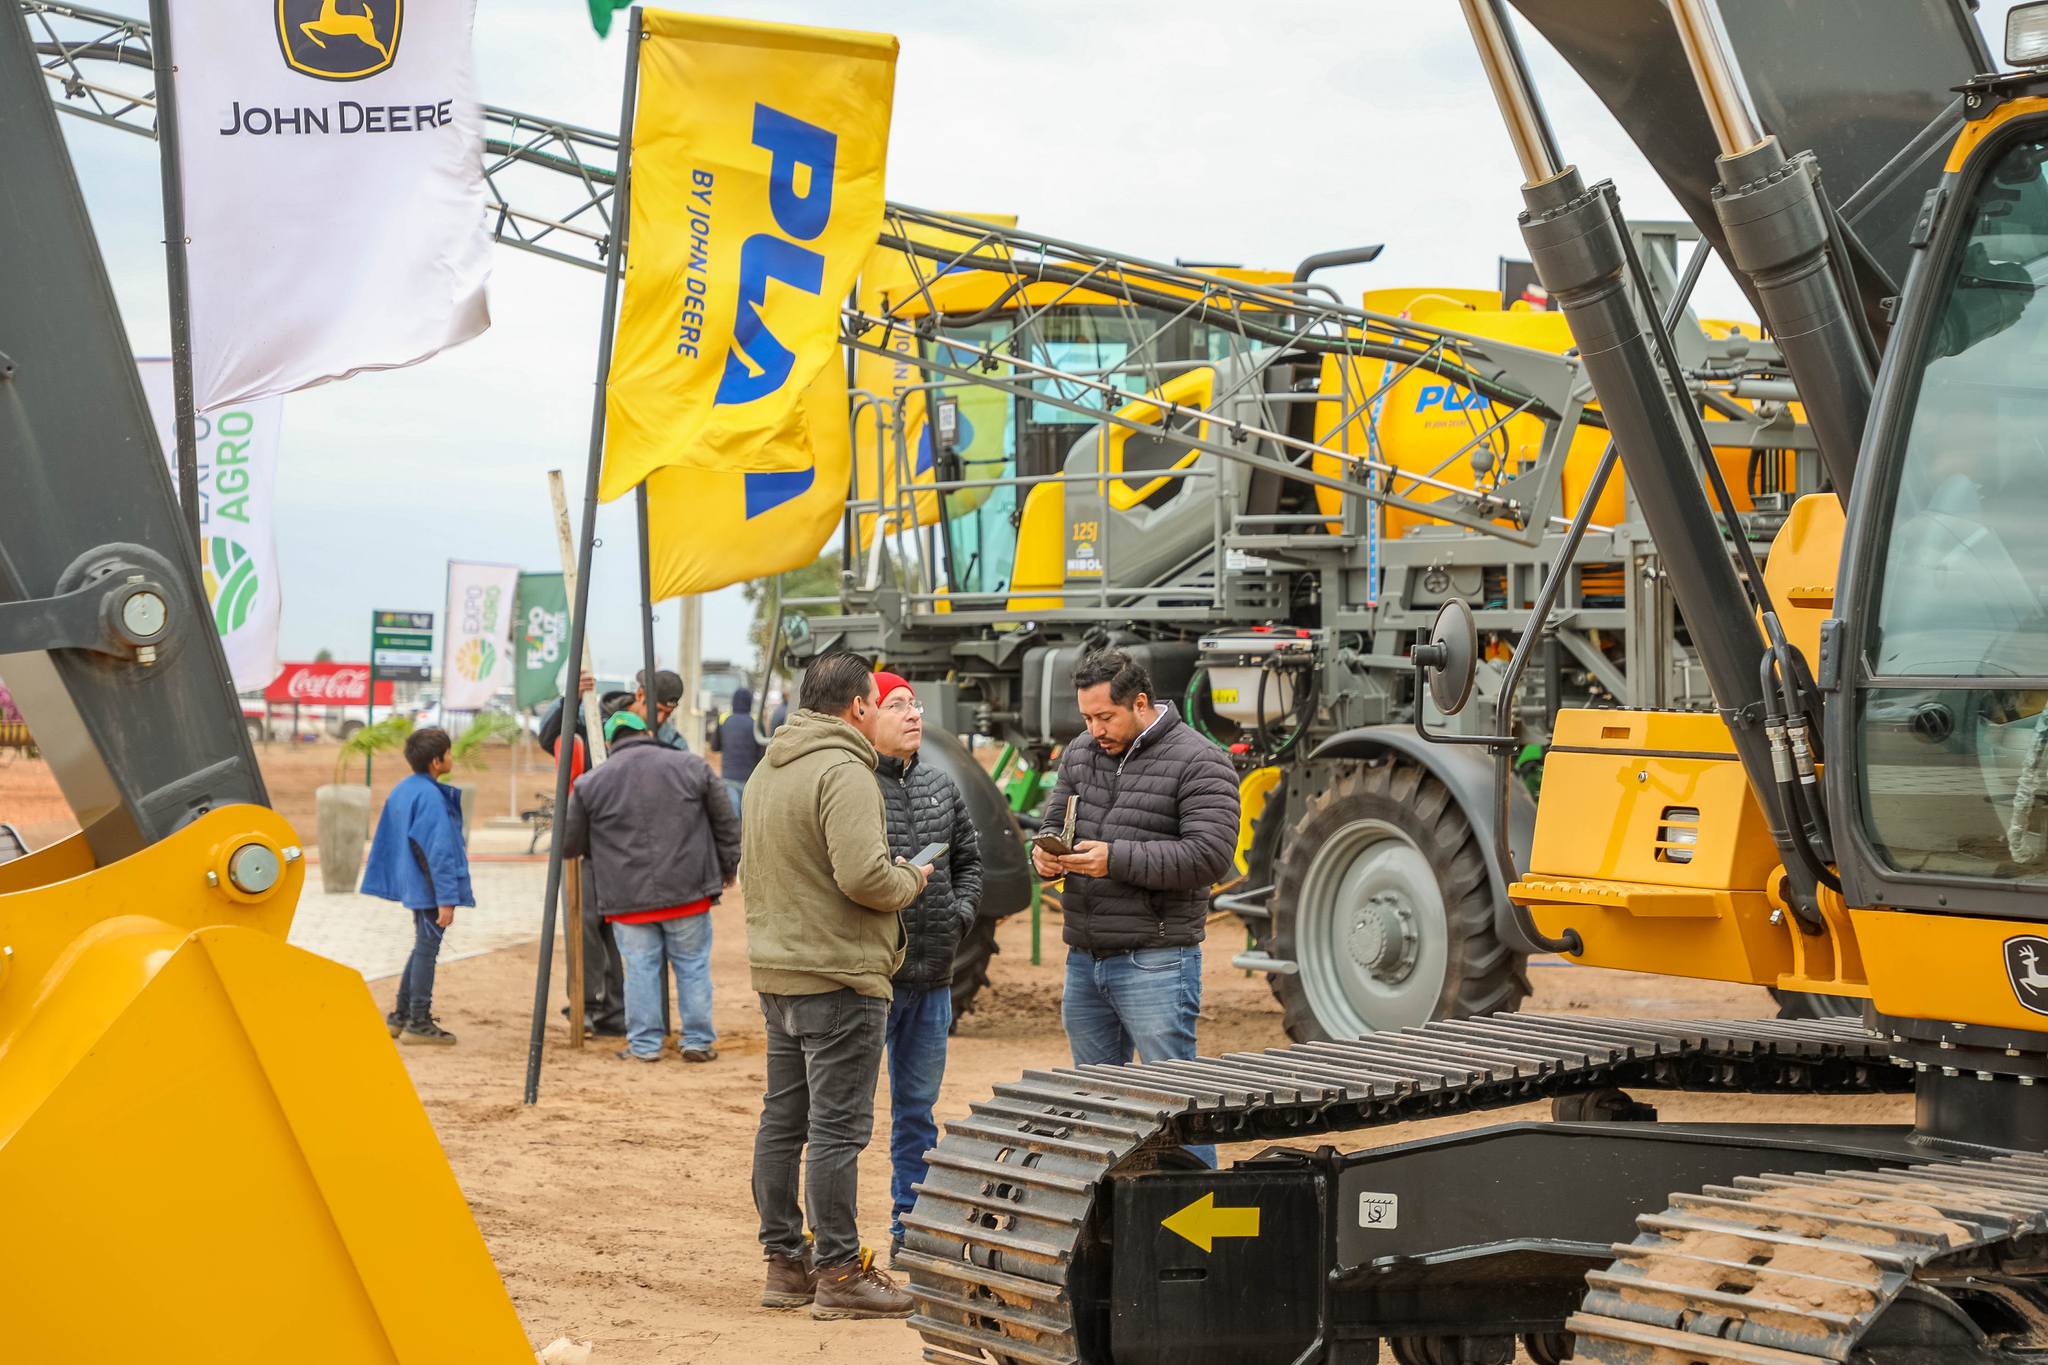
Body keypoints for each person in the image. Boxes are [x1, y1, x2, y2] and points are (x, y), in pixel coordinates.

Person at [743, 651, 930, 1320]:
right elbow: (864, 877)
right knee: (835, 1131)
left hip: (780, 973)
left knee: (783, 1121)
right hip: (839, 977)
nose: (882, 712)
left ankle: (785, 1263)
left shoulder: (769, 766)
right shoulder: (845, 770)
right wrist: (910, 879)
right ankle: (841, 1272)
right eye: (878, 702)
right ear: (857, 707)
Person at [1030, 647, 1239, 1166]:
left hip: (1157, 960)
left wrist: (1114, 860)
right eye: (1086, 717)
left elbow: (1210, 857)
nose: (1094, 729)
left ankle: (1197, 1209)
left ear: (1141, 703)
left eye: (1105, 717)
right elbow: (1054, 823)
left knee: (1175, 1104)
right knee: (1097, 1105)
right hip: (1086, 958)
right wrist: (1045, 856)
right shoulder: (1081, 753)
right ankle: (1115, 1211)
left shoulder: (1200, 760)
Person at [866, 671, 982, 1263]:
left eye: (915, 704)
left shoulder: (940, 784)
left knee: (917, 1114)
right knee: (844, 1119)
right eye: (897, 705)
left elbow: (970, 860)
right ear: (866, 715)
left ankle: (907, 1232)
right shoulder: (853, 787)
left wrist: (959, 917)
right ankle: (831, 1247)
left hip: (933, 980)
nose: (913, 714)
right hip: (870, 983)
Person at [560, 701, 740, 1064]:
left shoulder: (591, 783)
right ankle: (697, 1040)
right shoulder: (691, 766)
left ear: (609, 743)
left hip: (628, 899)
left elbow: (569, 844)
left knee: (640, 970)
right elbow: (726, 820)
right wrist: (728, 866)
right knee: (692, 966)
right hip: (689, 890)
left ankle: (644, 1045)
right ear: (646, 733)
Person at [536, 668, 687, 1038]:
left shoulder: (671, 741)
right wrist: (569, 698)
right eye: (659, 710)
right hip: (587, 842)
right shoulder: (592, 715)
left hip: (632, 848)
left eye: (669, 713)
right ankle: (586, 1004)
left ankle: (618, 1009)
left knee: (627, 927)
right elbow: (549, 737)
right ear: (640, 695)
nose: (662, 718)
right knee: (584, 921)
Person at [361, 726, 474, 1046]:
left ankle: (401, 1016)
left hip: (414, 883)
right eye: (448, 752)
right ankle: (418, 1021)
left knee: (422, 947)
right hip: (429, 888)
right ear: (436, 761)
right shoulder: (430, 797)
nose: (451, 757)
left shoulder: (405, 788)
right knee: (427, 950)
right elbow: (436, 851)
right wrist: (446, 899)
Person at [715, 685, 766, 828]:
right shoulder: (755, 724)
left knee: (733, 820)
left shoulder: (725, 721)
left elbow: (714, 746)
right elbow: (763, 753)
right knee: (748, 821)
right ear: (750, 703)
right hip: (750, 779)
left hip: (728, 777)